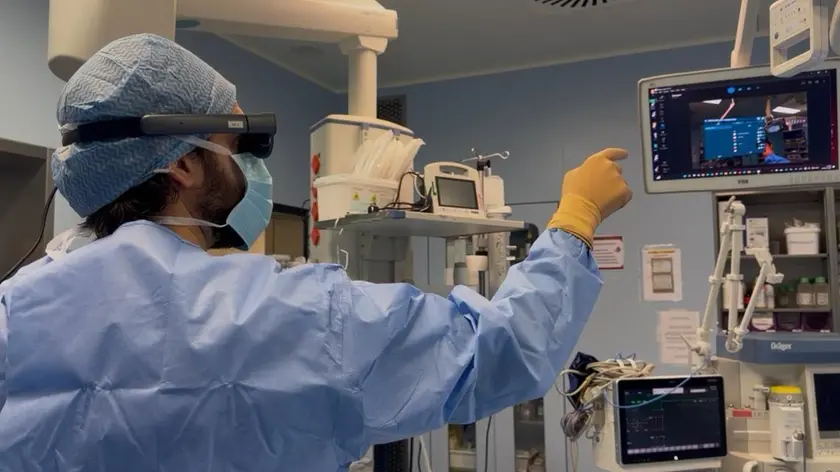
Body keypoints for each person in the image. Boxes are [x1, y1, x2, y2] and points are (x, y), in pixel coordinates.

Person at [0, 34, 632, 471]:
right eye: (235, 146)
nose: (247, 167)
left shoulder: (13, 313)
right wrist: (576, 218)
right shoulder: (294, 316)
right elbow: (499, 352)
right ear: (184, 165)